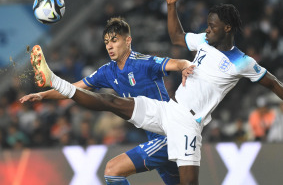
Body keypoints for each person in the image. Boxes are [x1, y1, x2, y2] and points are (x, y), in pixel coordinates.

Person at [25, 0, 283, 185]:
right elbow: (177, 38)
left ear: (227, 28)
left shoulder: (242, 62)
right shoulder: (203, 41)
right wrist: (171, 7)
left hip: (188, 125)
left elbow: (274, 83)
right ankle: (55, 79)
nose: (206, 29)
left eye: (212, 26)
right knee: (113, 102)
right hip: (169, 110)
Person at [20, 17, 191, 185]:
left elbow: (177, 63)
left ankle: (52, 78)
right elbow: (74, 89)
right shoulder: (108, 71)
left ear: (128, 40)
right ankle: (52, 79)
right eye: (106, 42)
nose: (109, 45)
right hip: (156, 138)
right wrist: (43, 95)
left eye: (114, 40)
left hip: (171, 134)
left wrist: (185, 66)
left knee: (113, 171)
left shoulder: (144, 63)